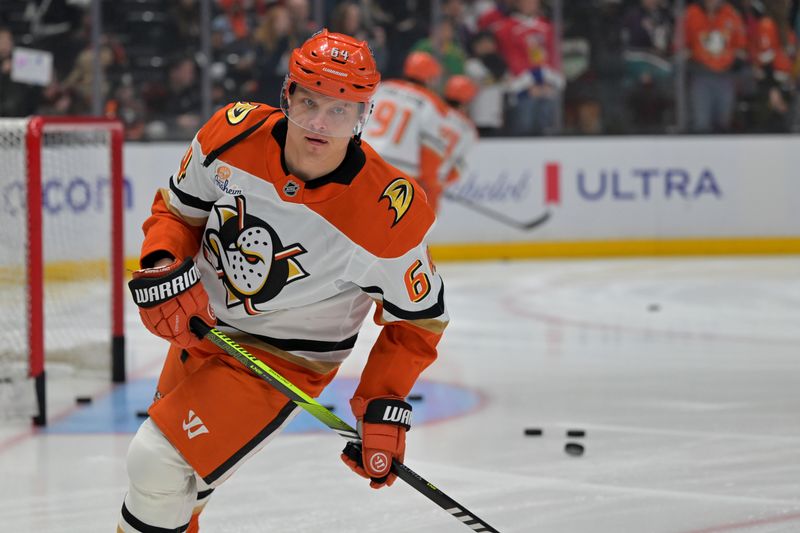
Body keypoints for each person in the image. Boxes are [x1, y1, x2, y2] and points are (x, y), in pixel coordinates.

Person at [118, 29, 448, 533]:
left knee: (156, 464)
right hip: (201, 326)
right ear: (287, 94)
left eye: (339, 110)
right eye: (309, 101)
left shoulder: (389, 214)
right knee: (182, 488)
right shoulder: (231, 135)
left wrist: (382, 401)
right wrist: (164, 262)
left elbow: (420, 321)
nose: (319, 123)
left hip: (281, 358)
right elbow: (177, 213)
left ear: (363, 115)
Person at [362, 51, 450, 210]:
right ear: (430, 78)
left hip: (363, 159)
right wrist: (430, 184)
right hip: (400, 174)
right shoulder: (433, 104)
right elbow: (431, 150)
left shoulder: (382, 88)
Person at [683, 0, 747, 132]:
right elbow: (682, 46)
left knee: (723, 122)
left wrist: (733, 56)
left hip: (725, 76)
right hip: (700, 75)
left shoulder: (731, 14)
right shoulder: (691, 14)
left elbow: (741, 46)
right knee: (701, 123)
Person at [432, 74, 480, 213]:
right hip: (434, 184)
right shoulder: (468, 130)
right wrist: (441, 183)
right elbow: (458, 167)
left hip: (412, 174)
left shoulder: (432, 110)